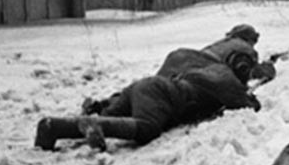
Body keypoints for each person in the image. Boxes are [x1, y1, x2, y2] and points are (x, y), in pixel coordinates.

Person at [34, 61, 261, 153]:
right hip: (164, 96)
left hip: (144, 85)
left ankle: (54, 127)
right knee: (147, 127)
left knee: (114, 114)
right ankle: (96, 122)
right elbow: (249, 105)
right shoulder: (226, 79)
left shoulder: (205, 69)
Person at [82, 23, 274, 115]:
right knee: (165, 95)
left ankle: (104, 105)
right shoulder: (245, 47)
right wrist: (267, 68)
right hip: (204, 65)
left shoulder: (221, 42)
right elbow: (244, 69)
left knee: (154, 87)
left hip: (181, 56)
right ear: (249, 39)